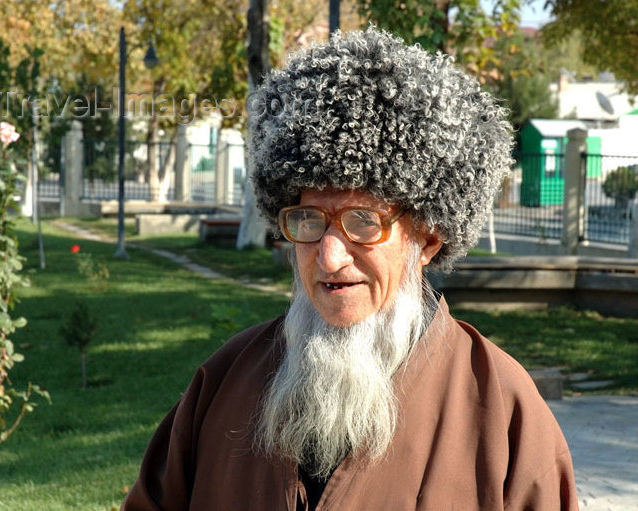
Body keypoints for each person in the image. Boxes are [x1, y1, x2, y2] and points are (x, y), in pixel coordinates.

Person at [122, 28, 578, 511]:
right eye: (309, 220)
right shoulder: (223, 383)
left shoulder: (502, 412)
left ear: (425, 239)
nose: (330, 257)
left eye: (363, 222)